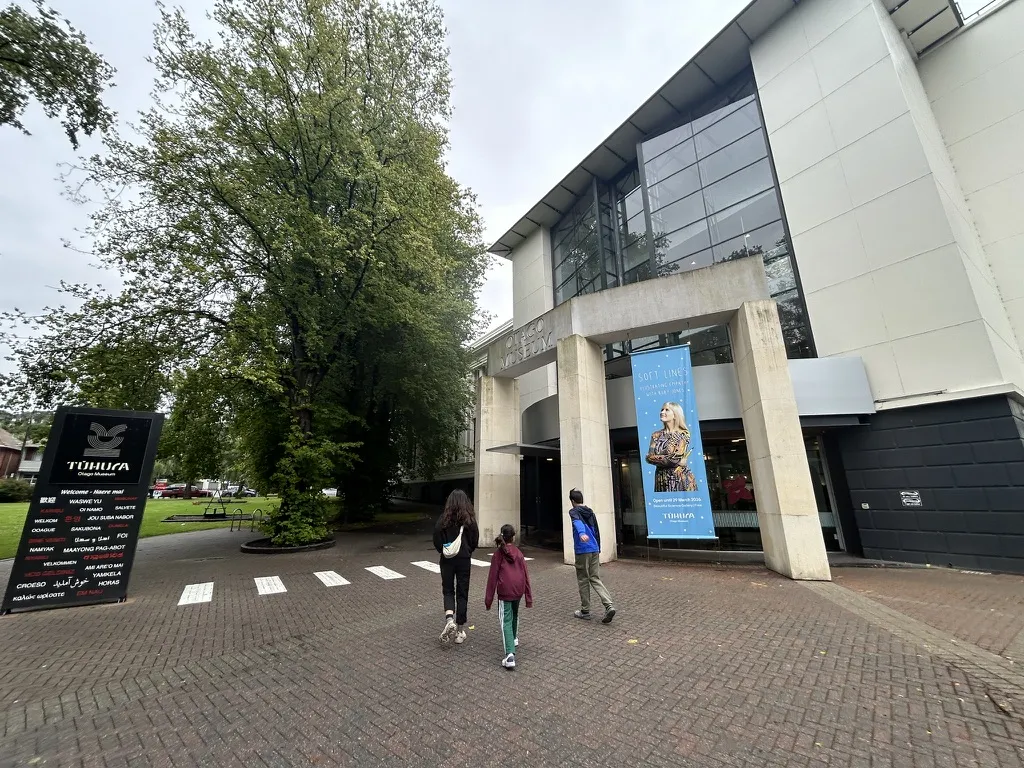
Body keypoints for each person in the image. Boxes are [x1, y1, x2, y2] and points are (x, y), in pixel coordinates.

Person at [433, 489, 479, 644]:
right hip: (464, 559)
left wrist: (444, 550)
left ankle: (449, 619)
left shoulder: (443, 519)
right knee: (462, 592)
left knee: (448, 590)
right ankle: (460, 631)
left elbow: (436, 540)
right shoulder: (470, 520)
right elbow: (475, 541)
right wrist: (467, 551)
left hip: (447, 559)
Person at [484, 524, 533, 671]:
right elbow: (526, 574)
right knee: (515, 614)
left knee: (505, 619)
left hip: (505, 591)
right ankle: (514, 638)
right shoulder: (519, 553)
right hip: (518, 589)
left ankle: (510, 654)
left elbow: (492, 578)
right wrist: (528, 596)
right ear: (513, 536)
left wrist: (488, 599)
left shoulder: (498, 555)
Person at [568, 488, 615, 623]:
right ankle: (609, 605)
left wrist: (582, 533)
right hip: (594, 548)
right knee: (595, 577)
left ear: (572, 501)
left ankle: (585, 611)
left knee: (583, 578)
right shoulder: (590, 512)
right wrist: (598, 548)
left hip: (583, 549)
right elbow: (596, 530)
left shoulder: (574, 511)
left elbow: (577, 522)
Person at [645, 401, 698, 492]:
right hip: (661, 478)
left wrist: (656, 458)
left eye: (667, 410)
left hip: (679, 477)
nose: (662, 412)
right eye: (662, 410)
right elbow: (649, 458)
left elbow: (674, 459)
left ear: (675, 415)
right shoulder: (656, 435)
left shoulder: (683, 434)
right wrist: (673, 460)